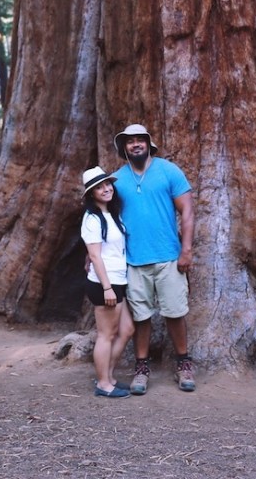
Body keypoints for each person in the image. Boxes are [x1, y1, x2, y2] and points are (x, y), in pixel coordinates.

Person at [113, 123, 196, 394]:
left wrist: (186, 250)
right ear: (124, 147)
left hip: (169, 257)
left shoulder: (169, 171)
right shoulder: (116, 180)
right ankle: (141, 368)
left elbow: (187, 211)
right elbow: (103, 217)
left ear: (149, 143)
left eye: (140, 139)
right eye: (130, 141)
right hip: (133, 261)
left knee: (175, 312)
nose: (135, 144)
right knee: (141, 317)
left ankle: (184, 364)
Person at [80, 166, 136, 398]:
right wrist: (107, 288)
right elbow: (94, 256)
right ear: (91, 194)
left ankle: (108, 375)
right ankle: (103, 384)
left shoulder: (111, 215)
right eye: (99, 187)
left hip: (117, 279)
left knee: (127, 329)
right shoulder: (92, 219)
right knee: (106, 334)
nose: (106, 189)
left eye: (107, 184)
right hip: (105, 283)